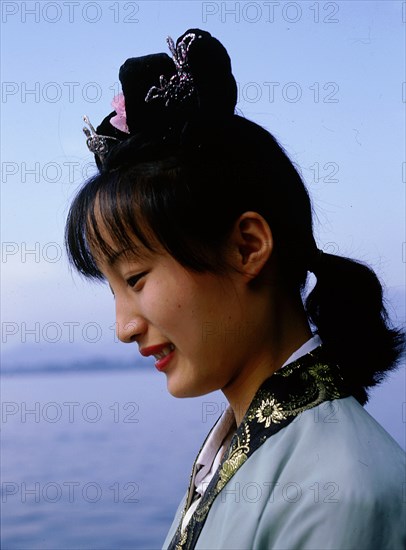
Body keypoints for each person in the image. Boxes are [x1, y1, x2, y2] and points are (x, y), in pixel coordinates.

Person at [65, 28, 405, 550]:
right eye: (114, 290)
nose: (124, 326)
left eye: (135, 279)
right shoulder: (242, 446)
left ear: (248, 247)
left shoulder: (337, 493)